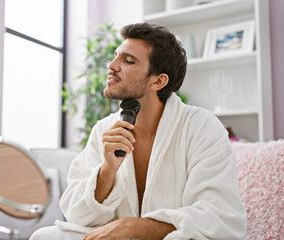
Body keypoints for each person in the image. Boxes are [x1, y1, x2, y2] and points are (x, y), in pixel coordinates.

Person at [31, 23, 246, 240]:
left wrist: (138, 227)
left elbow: (220, 219)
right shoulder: (103, 130)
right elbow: (75, 215)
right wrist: (107, 170)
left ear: (158, 81)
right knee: (46, 236)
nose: (112, 65)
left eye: (128, 61)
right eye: (116, 56)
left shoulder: (201, 127)